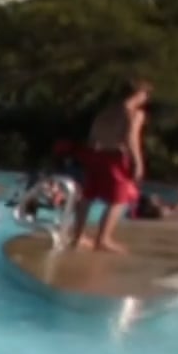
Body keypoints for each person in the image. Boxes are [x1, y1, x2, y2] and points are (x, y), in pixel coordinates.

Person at [65, 79, 150, 254]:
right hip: (116, 157)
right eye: (145, 94)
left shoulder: (107, 111)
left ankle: (77, 236)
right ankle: (103, 239)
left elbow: (93, 135)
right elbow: (131, 138)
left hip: (96, 154)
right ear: (139, 94)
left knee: (88, 195)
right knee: (119, 199)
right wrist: (138, 163)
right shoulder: (134, 113)